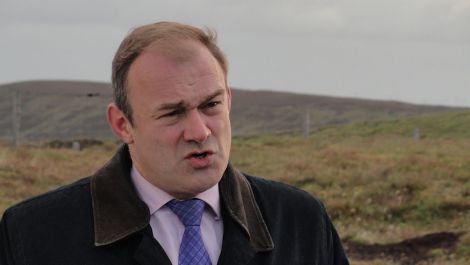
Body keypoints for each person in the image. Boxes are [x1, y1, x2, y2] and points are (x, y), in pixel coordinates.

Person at [0, 21, 349, 265]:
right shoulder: (33, 235)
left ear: (228, 100)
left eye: (211, 105)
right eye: (172, 113)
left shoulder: (300, 221)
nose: (199, 131)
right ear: (123, 124)